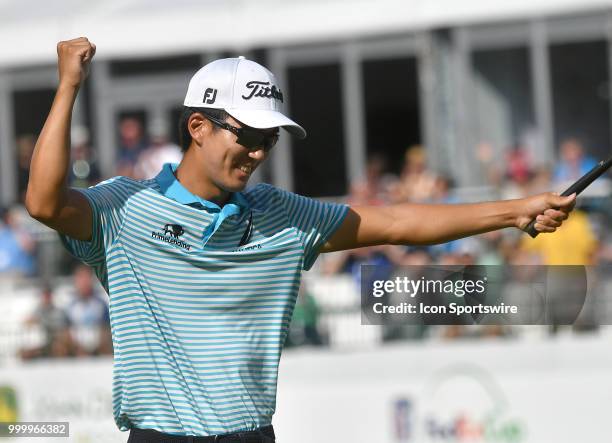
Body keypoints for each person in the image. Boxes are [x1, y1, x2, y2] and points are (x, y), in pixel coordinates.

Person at [25, 37, 576, 442]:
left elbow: (397, 223)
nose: (261, 151)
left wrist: (514, 211)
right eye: (250, 134)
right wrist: (70, 85)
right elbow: (44, 203)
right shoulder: (125, 209)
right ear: (198, 128)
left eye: (271, 138)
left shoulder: (284, 215)